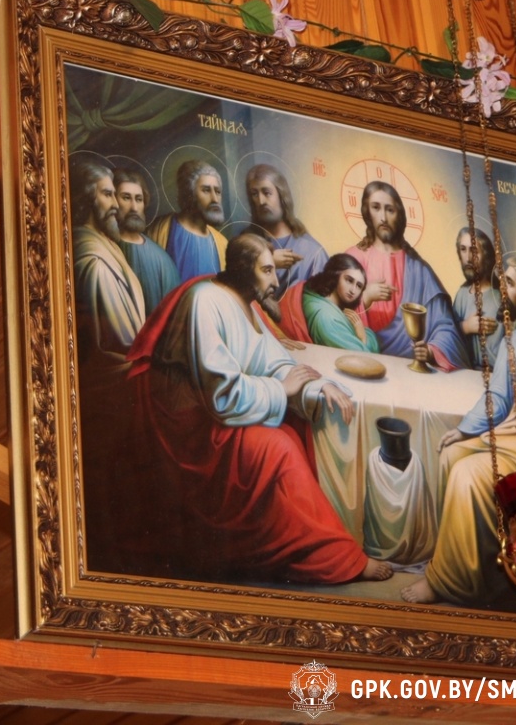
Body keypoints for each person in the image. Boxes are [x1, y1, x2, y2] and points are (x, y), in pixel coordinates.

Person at [125, 233, 393, 585]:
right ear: (242, 269)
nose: (275, 281)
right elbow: (221, 394)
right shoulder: (206, 301)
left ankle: (306, 543)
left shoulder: (244, 304)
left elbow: (276, 363)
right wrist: (281, 389)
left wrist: (316, 387)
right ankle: (334, 556)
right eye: (267, 270)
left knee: (291, 436)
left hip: (221, 416)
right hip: (192, 432)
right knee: (278, 448)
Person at [401, 258, 516, 606]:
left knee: (466, 474)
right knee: (450, 453)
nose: (502, 292)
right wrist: (463, 430)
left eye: (510, 284)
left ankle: (454, 581)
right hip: (511, 438)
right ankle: (455, 558)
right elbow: (498, 398)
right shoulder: (513, 340)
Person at [70, 161, 146, 561]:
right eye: (107, 194)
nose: (116, 203)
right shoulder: (95, 261)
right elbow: (121, 343)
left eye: (116, 193)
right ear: (87, 200)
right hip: (111, 394)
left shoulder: (104, 246)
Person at [345, 181, 469, 370]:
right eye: (376, 208)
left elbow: (445, 326)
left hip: (410, 371)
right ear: (367, 212)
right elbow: (332, 315)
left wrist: (431, 351)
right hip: (363, 364)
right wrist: (365, 298)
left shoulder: (419, 269)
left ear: (400, 215)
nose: (383, 218)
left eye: (390, 210)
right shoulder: (352, 259)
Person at [244, 163, 328, 297]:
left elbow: (323, 302)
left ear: (282, 195)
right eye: (254, 194)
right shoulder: (245, 242)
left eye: (267, 193)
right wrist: (269, 262)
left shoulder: (312, 251)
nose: (261, 201)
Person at [112, 168, 180, 316]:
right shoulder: (104, 247)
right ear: (113, 201)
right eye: (126, 198)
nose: (134, 208)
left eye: (139, 199)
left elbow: (174, 314)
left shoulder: (162, 260)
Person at [280, 253, 380, 352]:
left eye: (359, 286)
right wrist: (363, 336)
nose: (353, 290)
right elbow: (363, 355)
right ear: (335, 275)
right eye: (349, 280)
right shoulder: (327, 317)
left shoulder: (318, 296)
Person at [148, 160, 228, 282]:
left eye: (217, 192)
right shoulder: (161, 230)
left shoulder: (222, 243)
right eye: (206, 190)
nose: (215, 199)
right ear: (189, 193)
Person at [451, 227, 503, 369]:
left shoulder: (502, 297)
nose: (468, 258)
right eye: (463, 249)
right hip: (464, 372)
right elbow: (447, 336)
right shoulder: (462, 294)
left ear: (486, 256)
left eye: (474, 251)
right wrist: (465, 327)